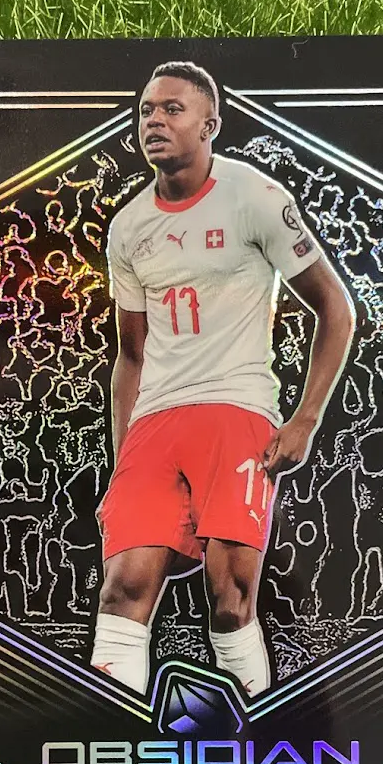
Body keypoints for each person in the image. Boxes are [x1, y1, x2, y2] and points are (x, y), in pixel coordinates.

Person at [90, 61, 355, 698]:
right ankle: (112, 728)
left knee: (230, 598)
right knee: (122, 589)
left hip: (236, 411)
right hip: (155, 422)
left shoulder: (253, 197)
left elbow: (336, 309)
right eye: (147, 110)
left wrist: (305, 420)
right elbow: (131, 356)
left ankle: (252, 725)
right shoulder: (128, 227)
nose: (154, 120)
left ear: (209, 125)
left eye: (172, 109)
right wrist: (122, 461)